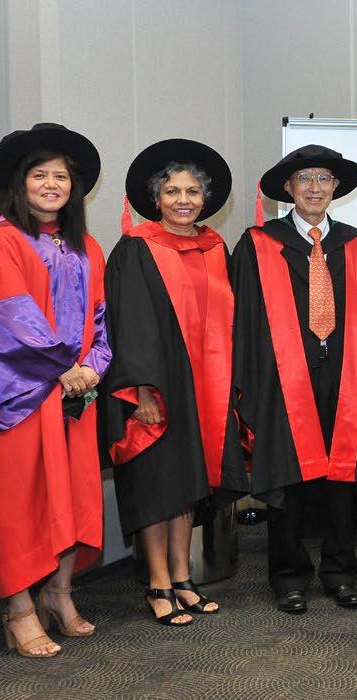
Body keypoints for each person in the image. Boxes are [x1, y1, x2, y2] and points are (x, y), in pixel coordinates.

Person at [0, 123, 111, 657]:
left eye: (61, 177)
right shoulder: (1, 242)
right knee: (20, 502)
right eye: (40, 175)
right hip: (21, 397)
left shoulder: (86, 246)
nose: (52, 185)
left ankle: (59, 593)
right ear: (19, 184)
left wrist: (93, 365)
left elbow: (101, 318)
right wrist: (64, 368)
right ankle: (18, 609)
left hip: (75, 397)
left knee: (73, 495)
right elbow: (8, 321)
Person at [230, 145, 357, 614]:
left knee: (343, 476)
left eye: (323, 178)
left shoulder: (356, 244)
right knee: (288, 475)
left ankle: (340, 571)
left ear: (336, 187)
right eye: (304, 179)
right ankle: (288, 576)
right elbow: (242, 318)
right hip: (282, 378)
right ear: (288, 188)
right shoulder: (259, 243)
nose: (314, 188)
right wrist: (250, 383)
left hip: (347, 375)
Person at [103, 139, 247, 627]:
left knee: (188, 488)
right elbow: (128, 325)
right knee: (156, 487)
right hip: (158, 389)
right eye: (172, 191)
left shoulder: (215, 247)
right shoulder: (136, 249)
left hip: (206, 389)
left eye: (192, 192)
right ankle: (158, 583)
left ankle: (184, 579)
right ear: (156, 198)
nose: (183, 200)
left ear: (205, 199)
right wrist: (141, 390)